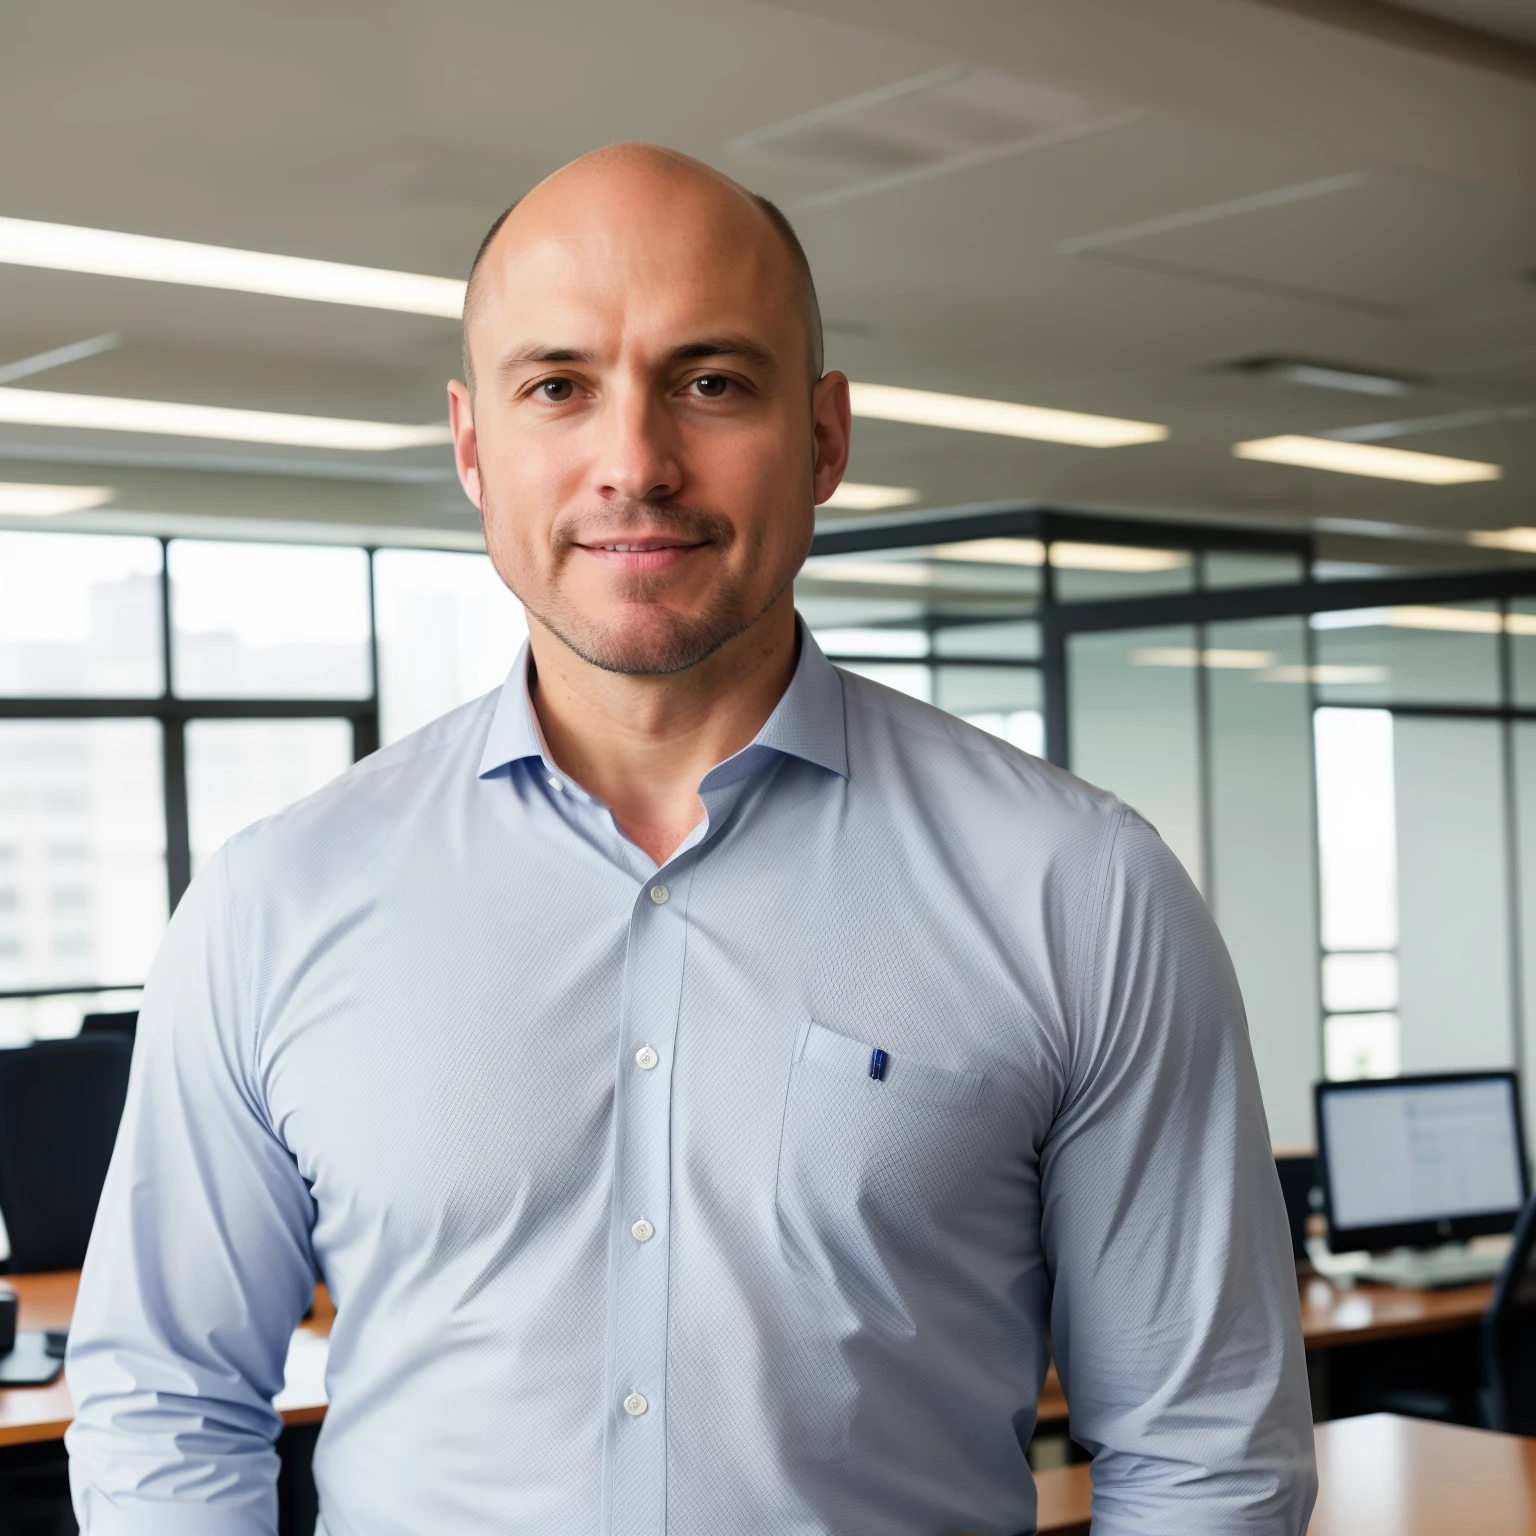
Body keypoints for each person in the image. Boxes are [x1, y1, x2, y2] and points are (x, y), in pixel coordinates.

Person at [66, 143, 1316, 1535]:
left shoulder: (1081, 891)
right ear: (474, 444)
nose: (635, 465)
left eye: (711, 382)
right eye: (558, 387)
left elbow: (1206, 1452)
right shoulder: (272, 904)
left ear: (826, 436)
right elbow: (167, 1402)